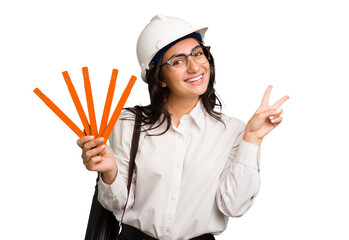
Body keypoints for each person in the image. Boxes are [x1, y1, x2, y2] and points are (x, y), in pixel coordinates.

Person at [77, 14, 289, 240]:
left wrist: (252, 139)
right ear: (160, 78)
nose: (195, 66)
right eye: (178, 61)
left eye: (198, 54)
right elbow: (118, 204)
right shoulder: (129, 122)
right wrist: (109, 172)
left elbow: (234, 207)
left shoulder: (232, 131)